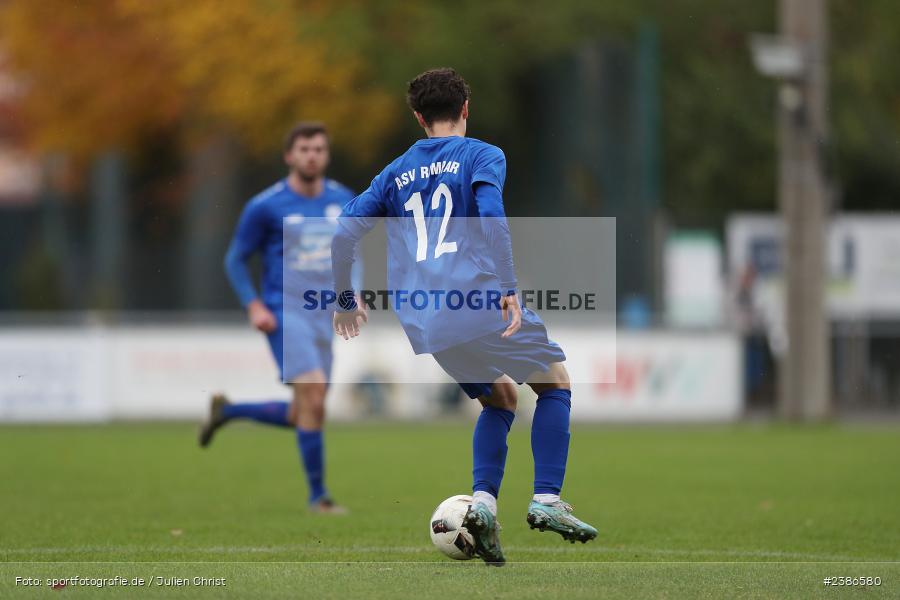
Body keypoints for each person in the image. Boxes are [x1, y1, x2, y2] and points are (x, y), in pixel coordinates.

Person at [330, 68, 597, 564]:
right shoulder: (481, 155)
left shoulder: (393, 173)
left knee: (500, 398)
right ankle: (546, 498)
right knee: (555, 383)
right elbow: (491, 217)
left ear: (418, 117)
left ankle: (483, 508)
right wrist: (509, 288)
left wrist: (346, 298)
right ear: (466, 109)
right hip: (476, 301)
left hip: (427, 319)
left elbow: (344, 232)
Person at [199, 122, 352, 514]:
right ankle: (319, 498)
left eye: (319, 149)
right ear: (289, 156)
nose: (312, 156)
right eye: (304, 149)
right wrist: (253, 305)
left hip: (324, 316)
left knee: (305, 411)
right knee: (313, 394)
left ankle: (228, 412)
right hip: (284, 311)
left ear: (327, 155)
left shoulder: (343, 200)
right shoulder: (265, 206)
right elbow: (235, 259)